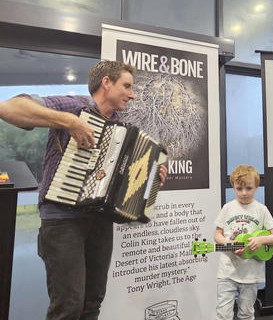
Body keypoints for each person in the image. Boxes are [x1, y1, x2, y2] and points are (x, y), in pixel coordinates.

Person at [0, 60, 167, 320]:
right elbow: (8, 108)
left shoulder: (122, 127)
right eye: (127, 86)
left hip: (100, 222)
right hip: (62, 221)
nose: (132, 94)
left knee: (92, 304)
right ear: (106, 83)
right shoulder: (74, 106)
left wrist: (151, 178)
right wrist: (68, 122)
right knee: (68, 307)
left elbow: (126, 180)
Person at [214, 164, 273, 320]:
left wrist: (260, 240)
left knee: (246, 313)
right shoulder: (227, 208)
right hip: (227, 272)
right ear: (233, 187)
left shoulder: (261, 210)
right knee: (223, 314)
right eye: (239, 189)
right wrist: (227, 244)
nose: (244, 193)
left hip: (251, 274)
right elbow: (217, 234)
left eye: (249, 188)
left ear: (256, 187)